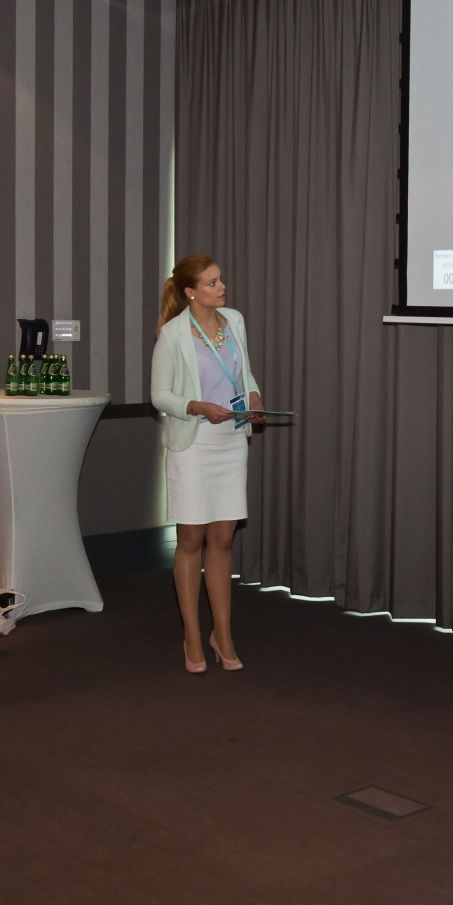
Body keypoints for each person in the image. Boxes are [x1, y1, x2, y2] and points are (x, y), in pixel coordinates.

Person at [150, 254, 263, 673]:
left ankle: (223, 634)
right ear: (190, 292)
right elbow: (160, 396)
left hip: (231, 441)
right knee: (191, 541)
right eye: (212, 283)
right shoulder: (173, 335)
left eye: (220, 280)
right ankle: (193, 636)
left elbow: (244, 374)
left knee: (222, 541)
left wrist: (254, 397)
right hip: (193, 444)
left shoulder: (234, 321)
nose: (222, 287)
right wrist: (197, 406)